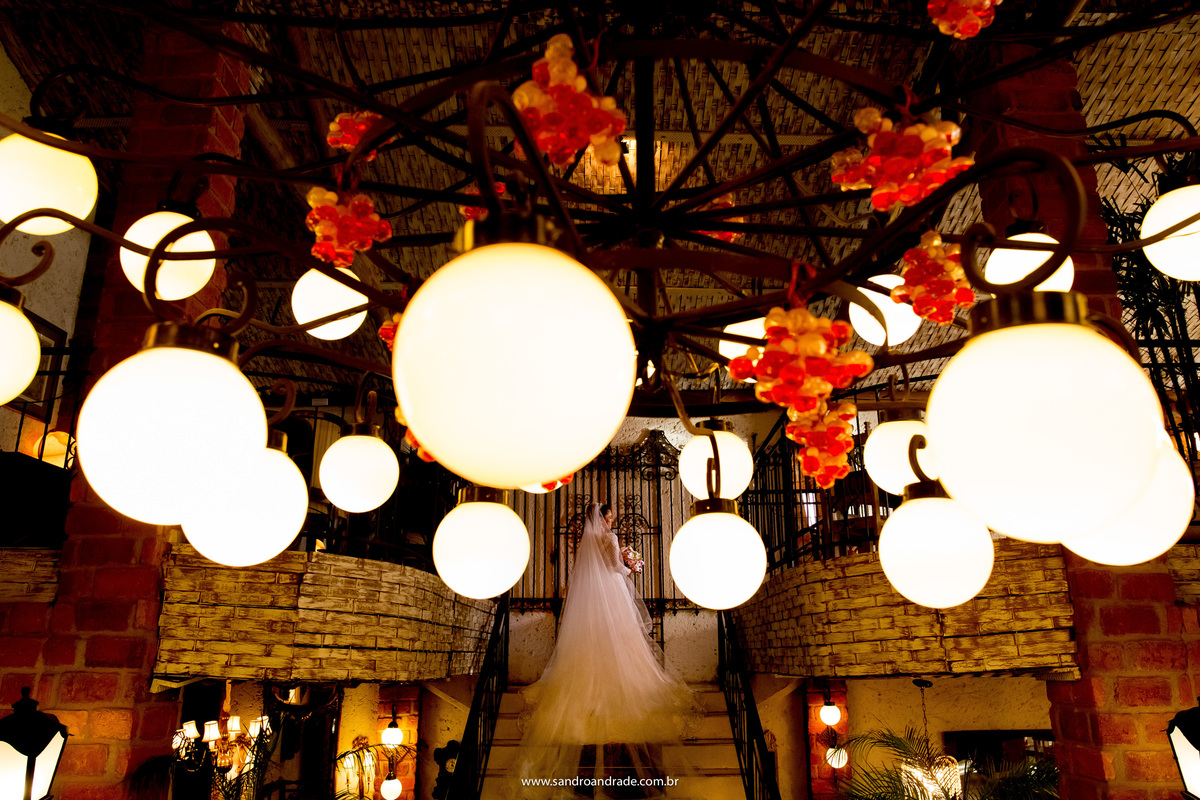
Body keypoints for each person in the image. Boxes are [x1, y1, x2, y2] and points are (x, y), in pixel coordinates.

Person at [512, 502, 699, 798]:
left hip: (593, 600)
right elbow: (613, 568)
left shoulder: (587, 541)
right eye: (608, 518)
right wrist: (630, 566)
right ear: (601, 519)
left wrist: (625, 562)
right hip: (612, 593)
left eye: (611, 518)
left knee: (595, 639)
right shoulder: (609, 539)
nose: (611, 522)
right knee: (621, 639)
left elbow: (591, 569)